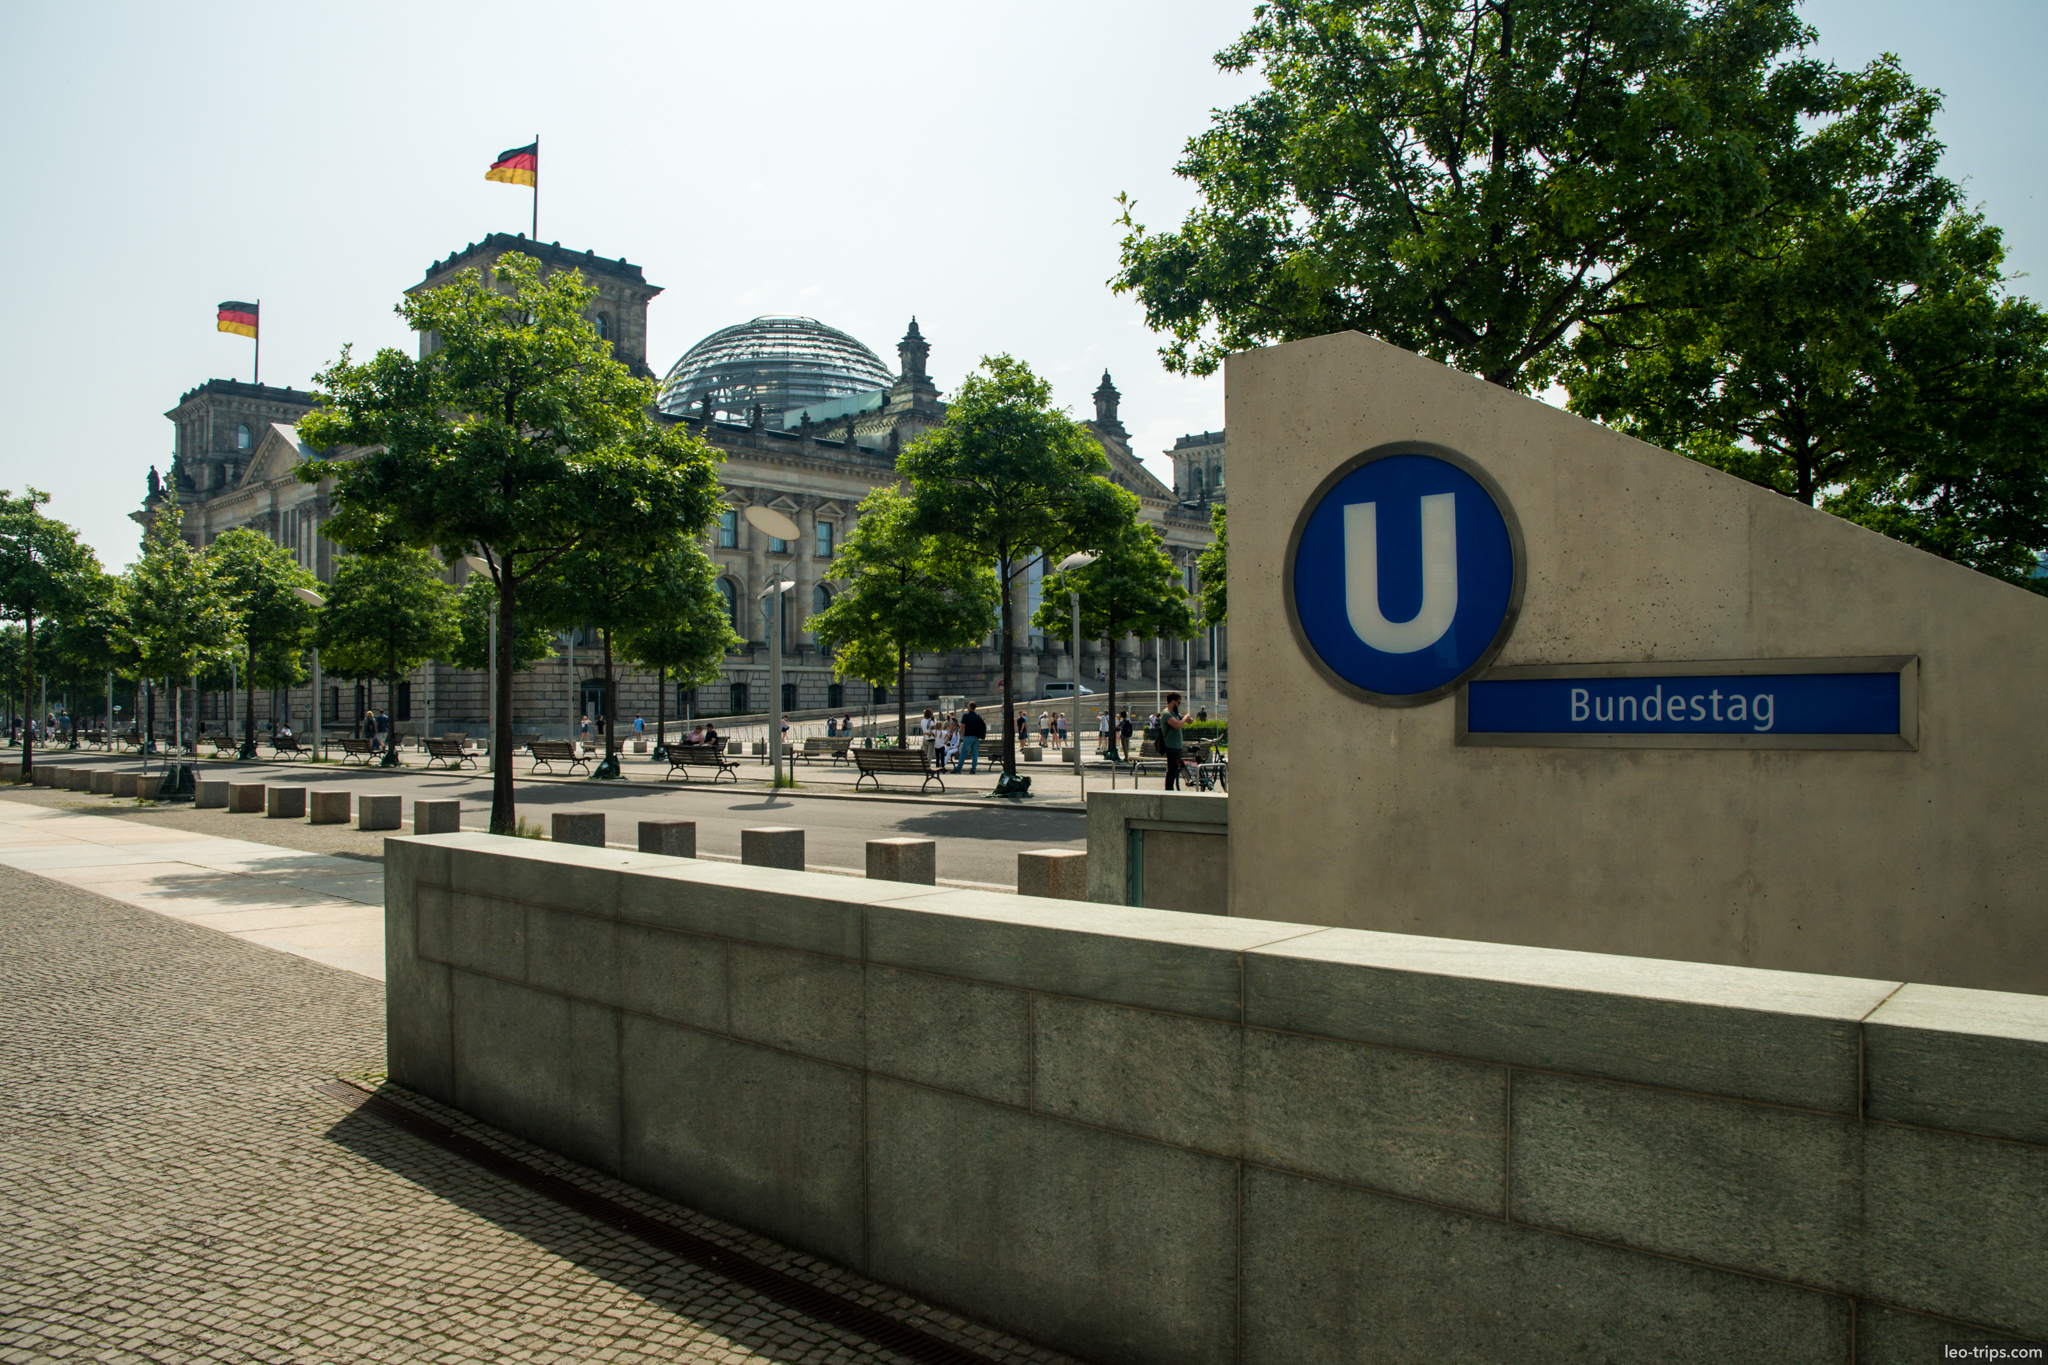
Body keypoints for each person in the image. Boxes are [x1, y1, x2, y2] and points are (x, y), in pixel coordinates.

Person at [1160, 692, 1188, 790]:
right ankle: (1169, 790)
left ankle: (1171, 790)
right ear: (1173, 702)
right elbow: (1177, 725)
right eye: (1178, 702)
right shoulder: (1167, 714)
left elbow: (1181, 718)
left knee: (1175, 770)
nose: (1179, 705)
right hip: (1171, 748)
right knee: (1171, 771)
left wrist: (1188, 719)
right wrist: (1186, 717)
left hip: (1177, 747)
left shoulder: (1174, 713)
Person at [956, 701, 987, 773]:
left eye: (968, 706)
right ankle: (973, 769)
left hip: (968, 736)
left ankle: (958, 768)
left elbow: (963, 726)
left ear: (970, 707)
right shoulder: (977, 716)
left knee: (963, 753)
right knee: (974, 754)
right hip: (976, 737)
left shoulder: (966, 715)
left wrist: (963, 735)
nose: (967, 707)